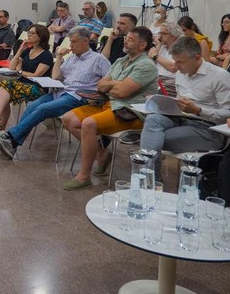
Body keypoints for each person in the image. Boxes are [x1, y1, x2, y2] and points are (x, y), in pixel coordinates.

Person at [0, 26, 110, 156]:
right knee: (32, 106)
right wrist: (58, 57)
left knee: (43, 109)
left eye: (74, 42)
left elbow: (110, 79)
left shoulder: (98, 59)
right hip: (61, 92)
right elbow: (56, 76)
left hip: (78, 96)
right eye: (70, 42)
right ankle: (12, 143)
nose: (71, 45)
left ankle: (11, 138)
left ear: (85, 41)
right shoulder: (72, 58)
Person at [62, 27, 158, 190]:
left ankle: (84, 176)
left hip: (130, 112)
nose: (125, 41)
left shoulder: (146, 65)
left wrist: (112, 85)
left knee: (89, 124)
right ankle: (101, 151)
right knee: (68, 119)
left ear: (142, 45)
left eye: (130, 39)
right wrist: (114, 84)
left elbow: (121, 92)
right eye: (126, 37)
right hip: (109, 104)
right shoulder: (121, 61)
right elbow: (100, 86)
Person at [139, 36, 230, 173]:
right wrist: (162, 103)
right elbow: (180, 102)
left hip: (208, 128)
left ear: (197, 58)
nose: (176, 67)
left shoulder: (221, 77)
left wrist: (198, 110)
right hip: (181, 119)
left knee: (152, 139)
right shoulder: (181, 73)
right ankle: (150, 176)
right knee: (152, 119)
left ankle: (147, 177)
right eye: (175, 61)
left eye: (181, 62)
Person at [0, 24, 53, 128]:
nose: (28, 35)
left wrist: (20, 71)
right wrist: (20, 50)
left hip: (37, 87)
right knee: (4, 92)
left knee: (5, 90)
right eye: (28, 32)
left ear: (41, 36)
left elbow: (36, 75)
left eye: (32, 33)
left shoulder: (46, 55)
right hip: (22, 83)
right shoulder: (28, 51)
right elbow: (11, 67)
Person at [148, 22, 182, 97]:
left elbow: (173, 67)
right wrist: (158, 47)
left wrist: (155, 56)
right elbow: (150, 65)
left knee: (149, 91)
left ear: (173, 36)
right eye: (159, 33)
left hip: (171, 81)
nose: (160, 36)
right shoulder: (162, 46)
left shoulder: (180, 48)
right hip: (157, 78)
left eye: (163, 34)